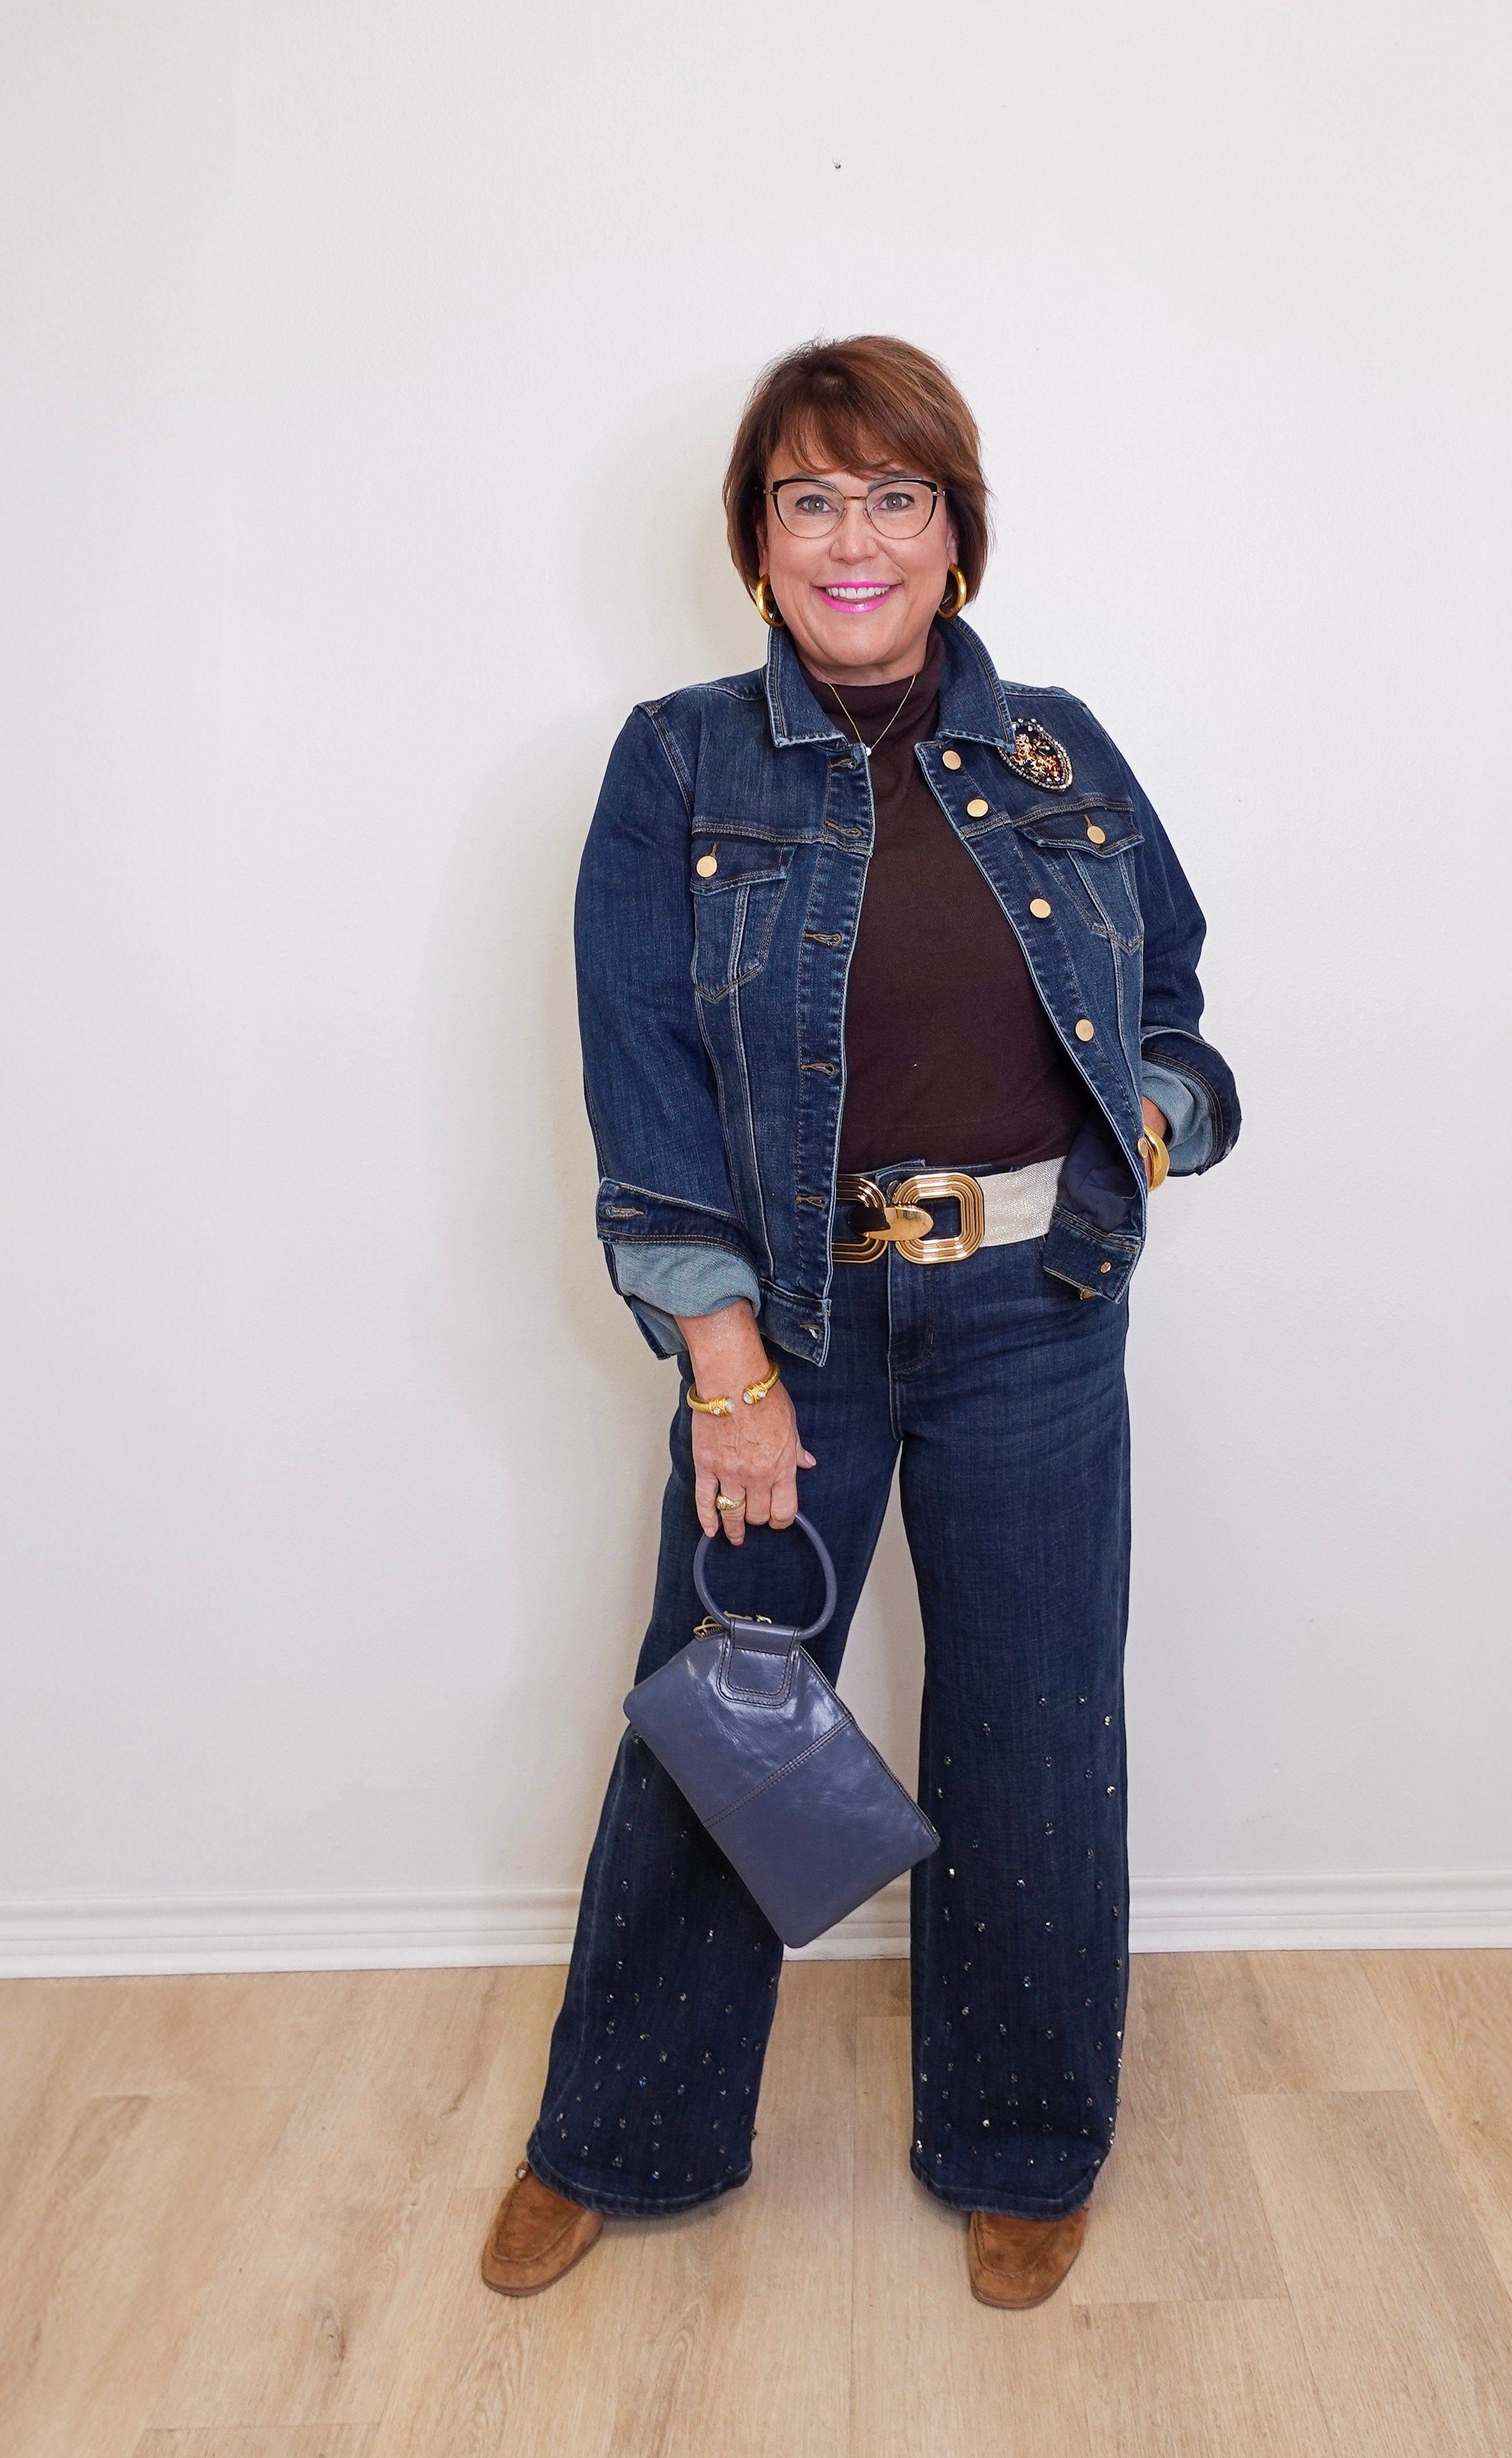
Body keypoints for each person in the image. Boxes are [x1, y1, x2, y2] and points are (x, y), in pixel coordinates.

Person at [480, 335, 1240, 2310]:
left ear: (954, 537)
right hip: (789, 1330)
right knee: (728, 1728)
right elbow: (639, 1080)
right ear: (756, 542)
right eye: (809, 498)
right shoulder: (677, 763)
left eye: (896, 497)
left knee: (1035, 1732)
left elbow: (1172, 1007)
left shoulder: (1060, 748)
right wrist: (724, 1368)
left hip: (1037, 1312)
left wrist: (1145, 1126)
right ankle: (622, 2136)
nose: (853, 538)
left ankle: (1020, 2139)